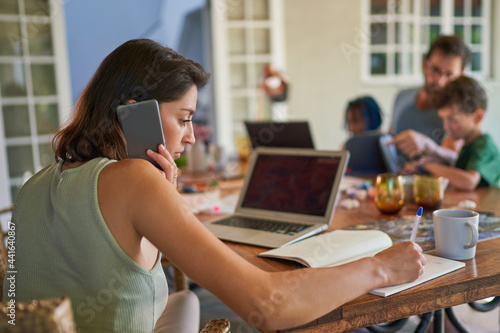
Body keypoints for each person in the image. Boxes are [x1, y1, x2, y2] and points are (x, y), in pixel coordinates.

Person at [7, 39, 426, 332]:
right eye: (184, 117)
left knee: (186, 300)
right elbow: (268, 307)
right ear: (136, 115)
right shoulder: (134, 182)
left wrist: (163, 197)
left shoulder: (33, 185)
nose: (190, 137)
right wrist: (383, 267)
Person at [405, 76, 500, 191]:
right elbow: (455, 164)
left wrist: (426, 166)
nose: (445, 127)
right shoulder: (468, 144)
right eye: (443, 119)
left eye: (452, 119)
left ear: (477, 117)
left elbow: (468, 181)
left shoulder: (484, 146)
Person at [389, 35, 472, 165]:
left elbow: (454, 159)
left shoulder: (460, 112)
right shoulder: (402, 97)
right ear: (424, 65)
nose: (440, 81)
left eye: (449, 74)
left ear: (462, 75)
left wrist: (427, 146)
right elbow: (390, 139)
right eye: (435, 70)